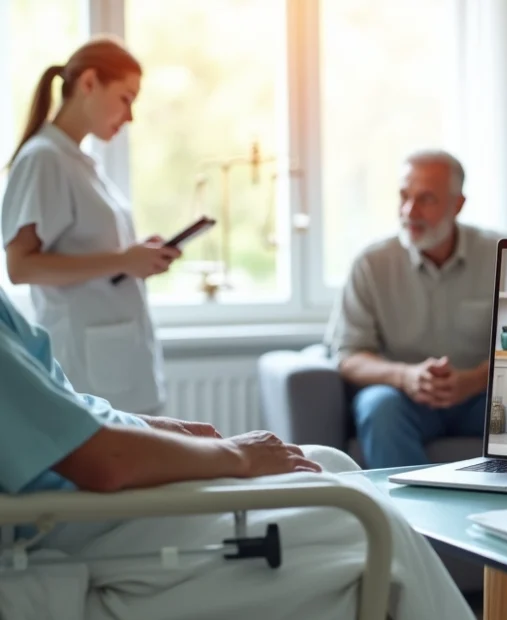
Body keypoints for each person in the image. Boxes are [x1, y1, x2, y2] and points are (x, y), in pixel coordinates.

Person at [0, 286, 474, 620]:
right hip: (77, 519)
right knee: (368, 519)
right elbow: (103, 462)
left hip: (97, 494)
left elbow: (68, 413)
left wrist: (166, 430)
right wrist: (237, 458)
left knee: (333, 463)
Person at [1, 36, 179, 415]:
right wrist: (121, 260)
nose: (129, 116)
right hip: (85, 363)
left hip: (115, 355)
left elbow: (95, 252)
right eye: (125, 98)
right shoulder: (43, 160)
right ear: (88, 83)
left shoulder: (79, 162)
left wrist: (136, 257)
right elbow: (21, 267)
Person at [329, 149, 503, 468]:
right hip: (405, 398)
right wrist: (405, 376)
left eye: (426, 199)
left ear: (457, 204)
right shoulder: (371, 264)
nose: (410, 211)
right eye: (404, 196)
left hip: (482, 396)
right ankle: (408, 518)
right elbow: (348, 355)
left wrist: (475, 380)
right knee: (378, 407)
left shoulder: (503, 255)